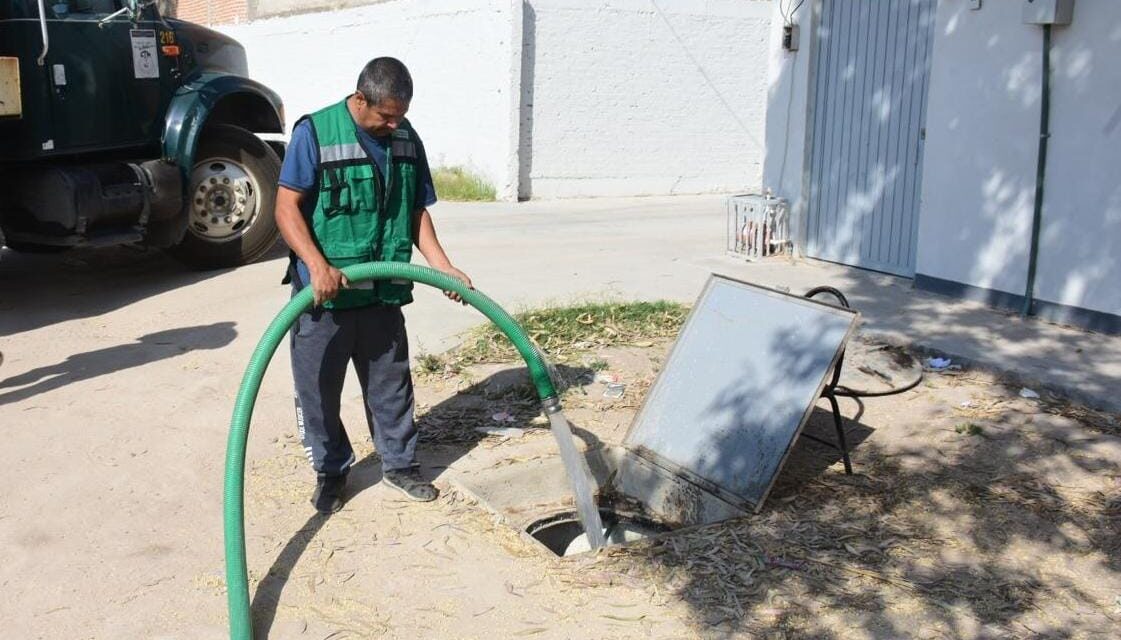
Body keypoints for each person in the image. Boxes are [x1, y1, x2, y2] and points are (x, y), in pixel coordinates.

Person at [275, 57, 471, 514]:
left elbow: (416, 209)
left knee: (392, 385)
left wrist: (442, 266)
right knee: (318, 391)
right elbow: (286, 208)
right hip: (325, 297)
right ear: (360, 99)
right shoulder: (316, 133)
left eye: (400, 113)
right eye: (386, 115)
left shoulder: (405, 136)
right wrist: (317, 265)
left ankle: (400, 465)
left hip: (382, 293)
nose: (394, 123)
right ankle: (330, 472)